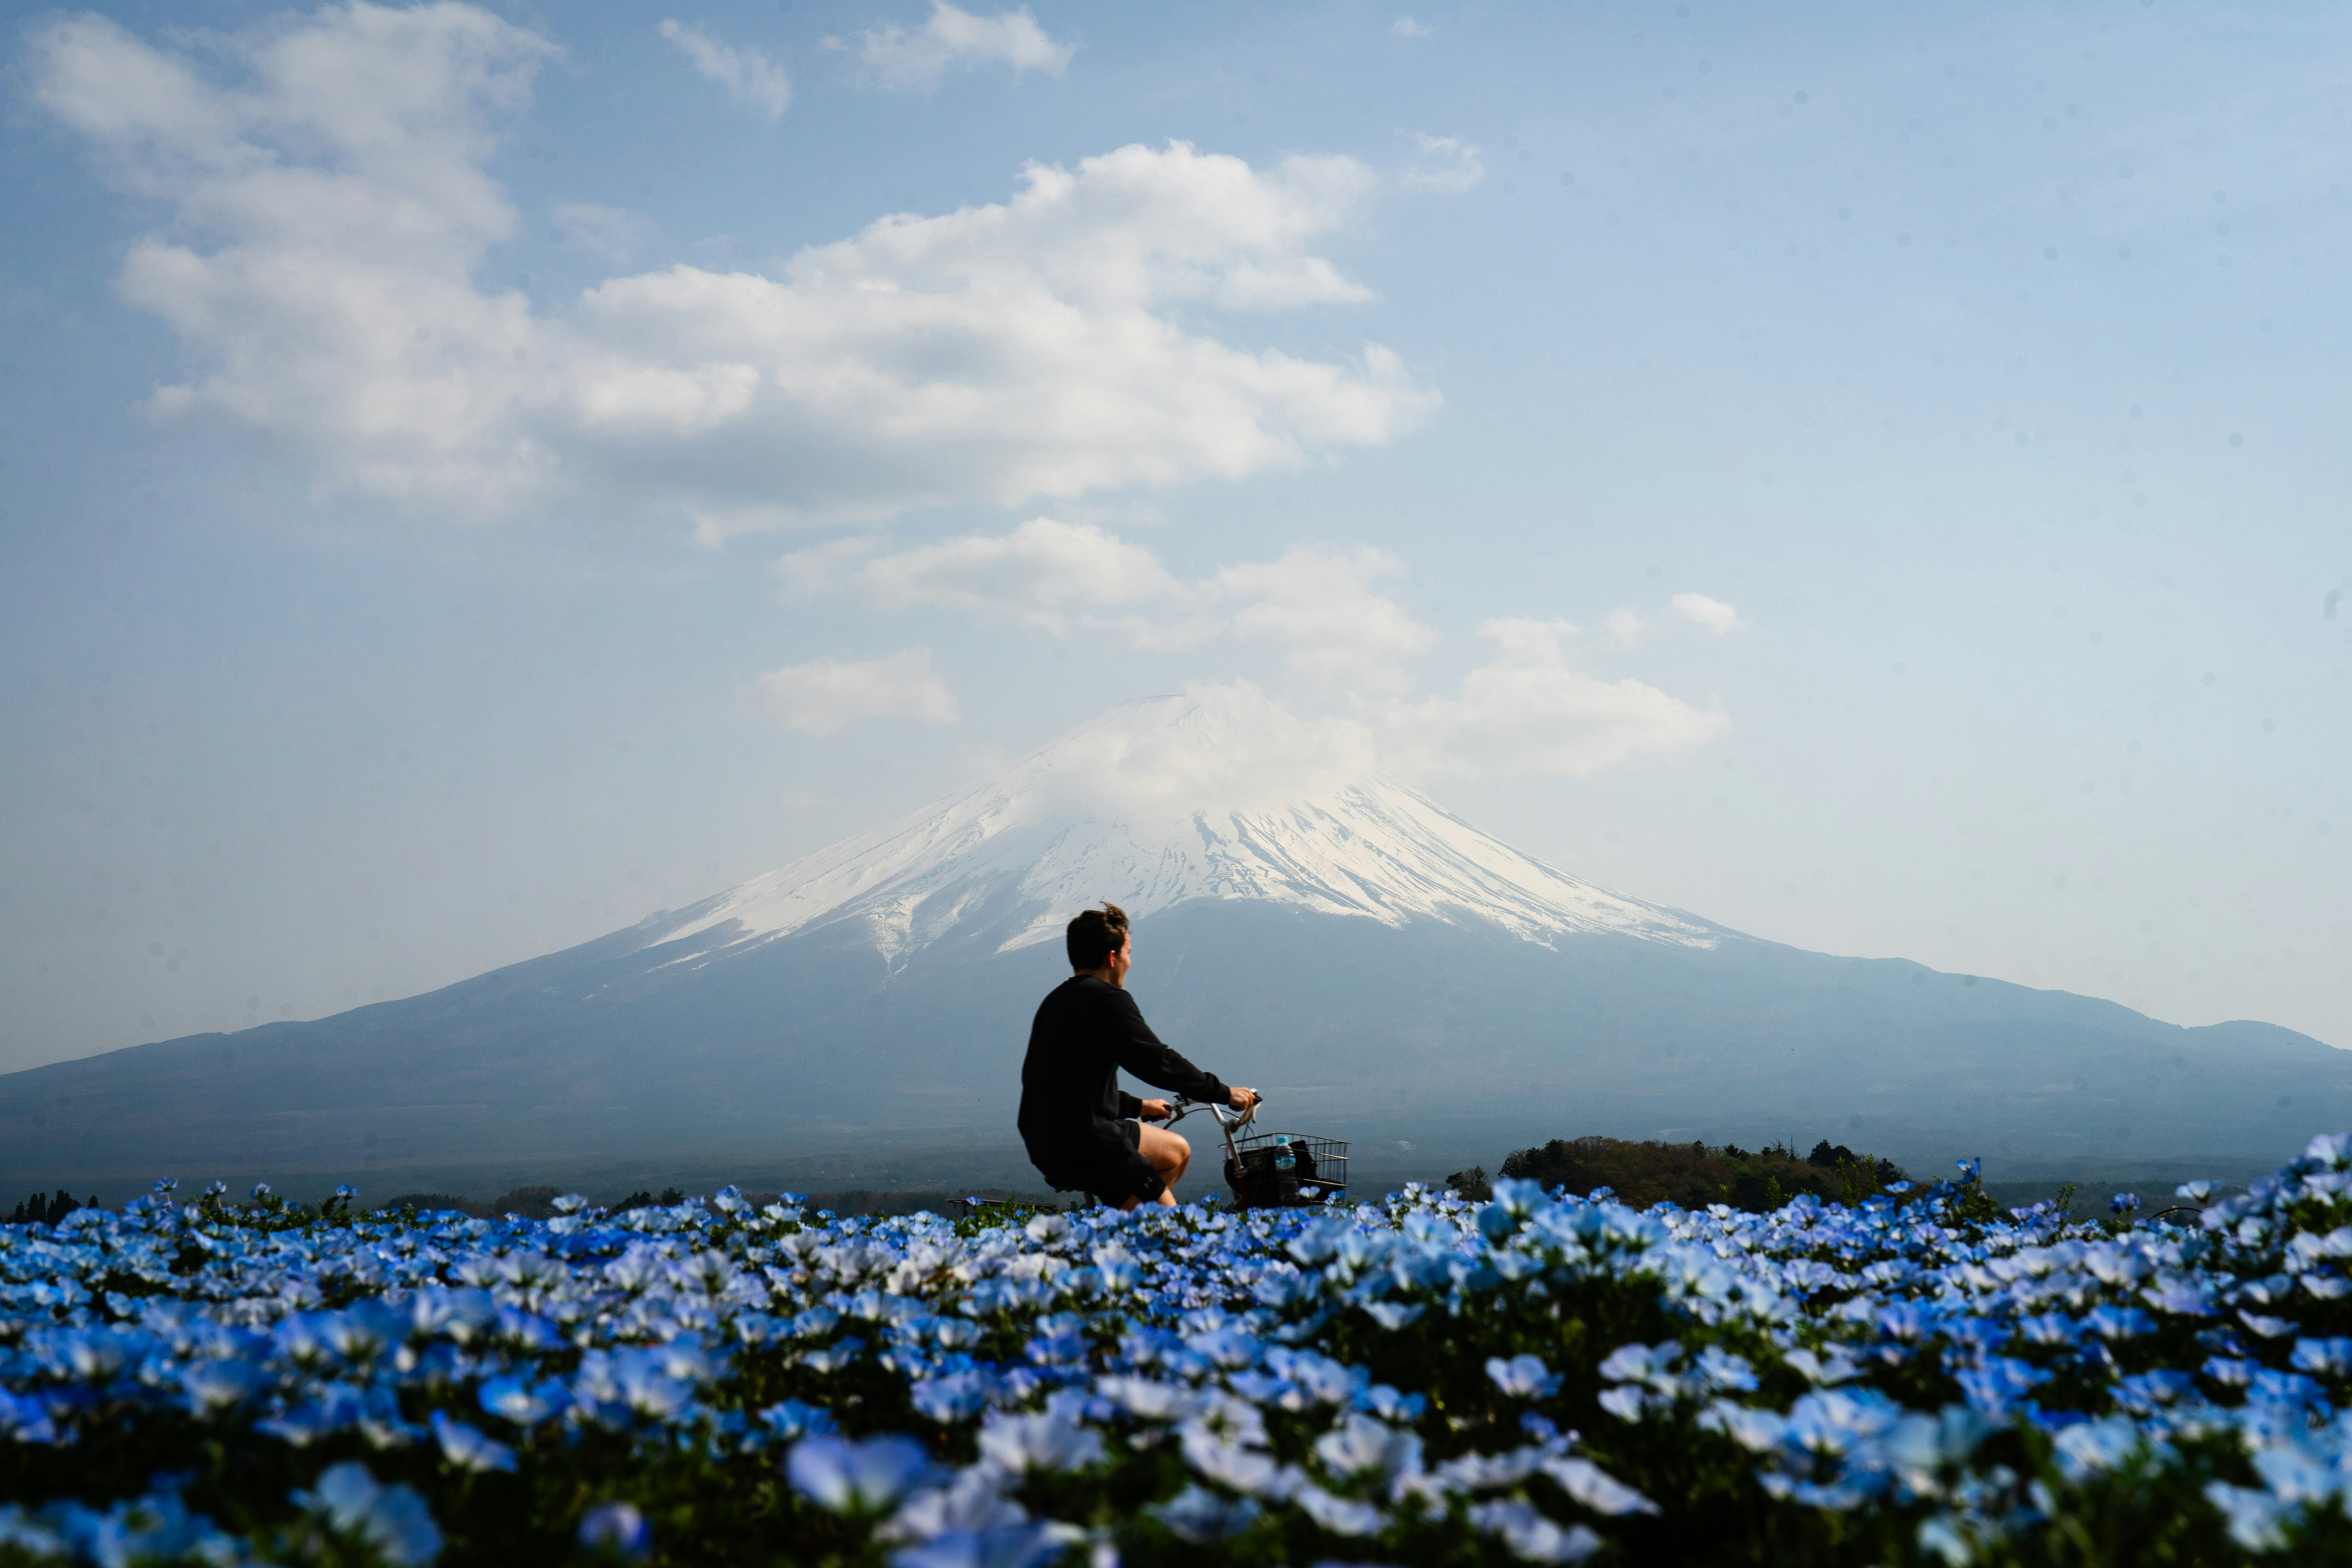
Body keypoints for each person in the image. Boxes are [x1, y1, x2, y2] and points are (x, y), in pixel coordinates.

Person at [1018, 903, 1257, 1210]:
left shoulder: (1055, 1002)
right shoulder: (1108, 1000)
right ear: (1112, 957)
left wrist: (1138, 1106)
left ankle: (1124, 1221)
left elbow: (1069, 1086)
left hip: (1046, 1139)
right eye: (1129, 954)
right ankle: (1141, 1234)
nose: (1130, 963)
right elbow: (1157, 1062)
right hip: (1090, 1142)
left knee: (1175, 1151)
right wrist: (1224, 1093)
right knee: (1173, 1235)